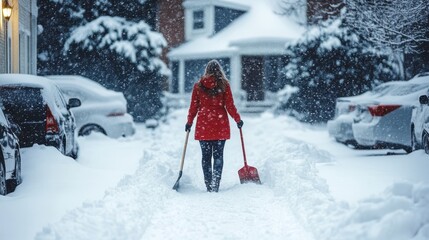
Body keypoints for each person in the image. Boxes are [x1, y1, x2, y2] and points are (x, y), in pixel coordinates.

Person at [185, 59, 243, 192]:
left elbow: (193, 107)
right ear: (219, 70)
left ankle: (208, 183)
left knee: (205, 157)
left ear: (207, 70)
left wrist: (189, 122)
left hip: (204, 124)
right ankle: (215, 183)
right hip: (220, 124)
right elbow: (230, 105)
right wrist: (237, 119)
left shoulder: (198, 85)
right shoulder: (224, 85)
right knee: (218, 156)